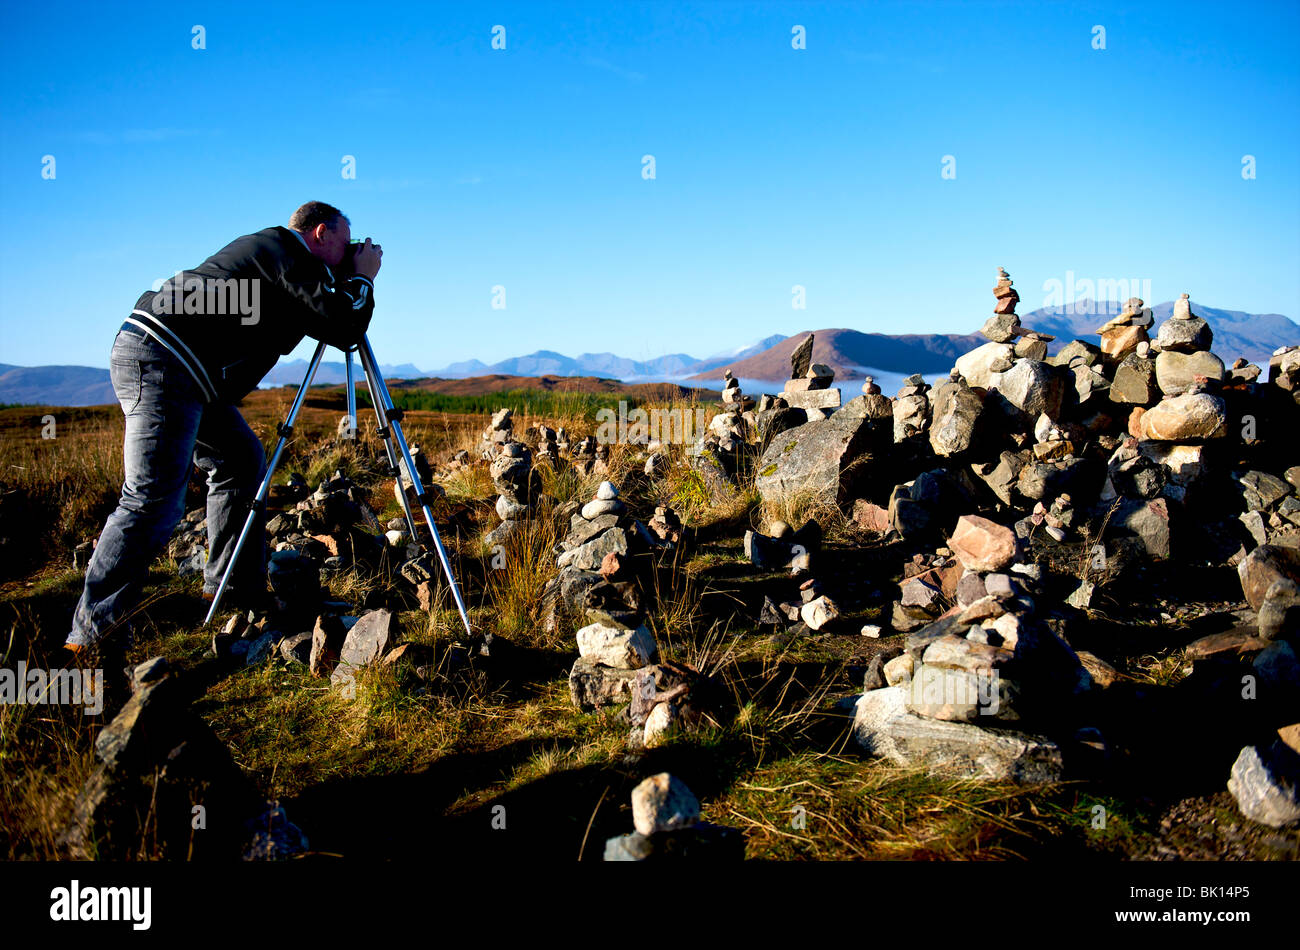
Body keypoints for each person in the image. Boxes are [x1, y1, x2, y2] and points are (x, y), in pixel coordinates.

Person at [65, 201, 381, 655]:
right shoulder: (284, 250)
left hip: (183, 368)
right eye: (345, 241)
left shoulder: (273, 258)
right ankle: (92, 637)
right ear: (318, 234)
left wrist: (347, 277)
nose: (349, 249)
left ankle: (233, 589)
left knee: (239, 459)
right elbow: (342, 324)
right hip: (166, 361)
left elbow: (323, 315)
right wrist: (363, 276)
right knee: (152, 499)